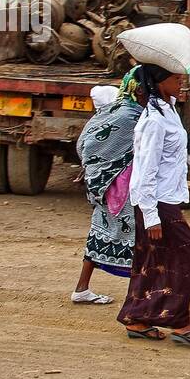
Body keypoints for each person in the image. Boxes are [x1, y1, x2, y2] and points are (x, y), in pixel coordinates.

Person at [117, 64, 190, 345]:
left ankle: (137, 318)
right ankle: (178, 321)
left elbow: (166, 159)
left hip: (163, 198)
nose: (181, 82)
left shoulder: (168, 111)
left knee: (151, 261)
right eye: (175, 78)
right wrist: (151, 215)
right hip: (156, 202)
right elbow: (144, 168)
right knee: (186, 255)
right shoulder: (154, 121)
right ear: (159, 82)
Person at [71, 78, 140, 305]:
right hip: (120, 191)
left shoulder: (95, 122)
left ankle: (82, 288)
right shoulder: (126, 119)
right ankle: (139, 297)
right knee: (138, 239)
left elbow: (83, 149)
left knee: (98, 233)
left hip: (102, 190)